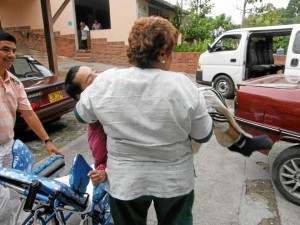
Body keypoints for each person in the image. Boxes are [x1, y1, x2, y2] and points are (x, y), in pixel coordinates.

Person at [72, 17, 272, 225]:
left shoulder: (105, 81)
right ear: (162, 54)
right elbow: (202, 134)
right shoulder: (182, 86)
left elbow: (81, 115)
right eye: (171, 51)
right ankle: (239, 141)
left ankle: (240, 141)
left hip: (125, 182)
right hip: (174, 181)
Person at [0, 31, 64, 225]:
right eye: (5, 49)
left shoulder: (15, 82)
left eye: (13, 50)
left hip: (8, 147)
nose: (10, 54)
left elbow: (29, 114)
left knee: (14, 193)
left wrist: (47, 141)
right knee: (1, 200)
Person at [65, 66, 107, 186]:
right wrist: (103, 173)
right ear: (82, 97)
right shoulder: (97, 130)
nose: (98, 77)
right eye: (90, 80)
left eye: (95, 72)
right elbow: (101, 161)